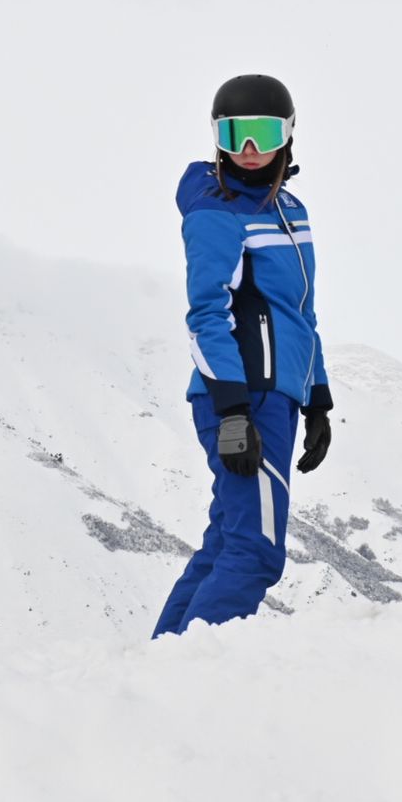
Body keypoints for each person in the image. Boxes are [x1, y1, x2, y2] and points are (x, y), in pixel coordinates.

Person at [152, 74, 334, 637]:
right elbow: (207, 313)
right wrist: (233, 410)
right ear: (217, 138)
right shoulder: (216, 210)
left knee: (227, 542)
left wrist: (317, 398)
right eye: (235, 136)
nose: (249, 151)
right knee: (255, 552)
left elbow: (299, 312)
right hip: (241, 396)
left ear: (288, 135)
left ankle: (162, 662)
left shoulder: (290, 209)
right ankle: (186, 677)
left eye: (262, 133)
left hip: (274, 396)